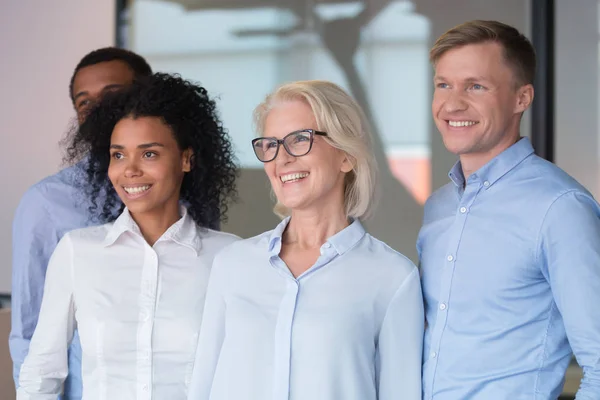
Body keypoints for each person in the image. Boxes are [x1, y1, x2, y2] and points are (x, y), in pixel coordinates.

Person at [188, 80, 424, 400]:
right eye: (271, 145)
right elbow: (203, 387)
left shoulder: (393, 277)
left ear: (346, 156)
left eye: (300, 139)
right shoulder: (233, 264)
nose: (281, 159)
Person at [17, 73, 239, 399]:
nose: (129, 170)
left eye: (149, 154)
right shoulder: (78, 251)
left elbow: (245, 371)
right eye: (118, 154)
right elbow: (41, 373)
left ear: (186, 159)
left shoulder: (229, 256)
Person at [418, 20, 600, 399]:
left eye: (476, 86)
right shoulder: (439, 208)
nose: (452, 104)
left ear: (522, 98)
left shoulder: (560, 209)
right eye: (443, 85)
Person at [10, 47, 152, 400]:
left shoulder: (184, 193)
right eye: (83, 101)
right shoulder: (46, 202)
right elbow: (30, 327)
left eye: (112, 95)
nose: (95, 109)